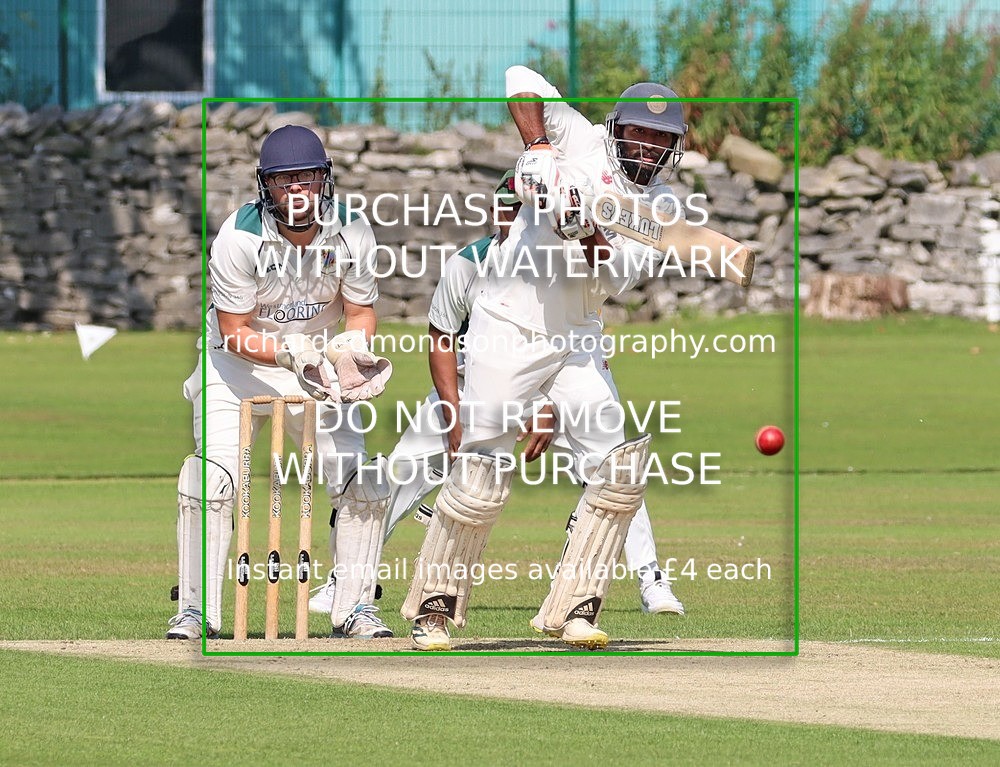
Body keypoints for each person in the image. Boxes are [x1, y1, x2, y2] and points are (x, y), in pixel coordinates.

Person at [307, 172, 684, 625]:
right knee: (399, 475)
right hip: (471, 389)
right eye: (502, 210)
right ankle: (345, 583)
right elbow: (442, 338)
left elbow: (576, 336)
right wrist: (450, 414)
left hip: (557, 390)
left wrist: (546, 406)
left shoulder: (563, 263)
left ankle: (651, 579)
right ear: (492, 214)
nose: (508, 220)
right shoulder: (468, 264)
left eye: (517, 211)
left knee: (614, 468)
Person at [401, 68, 691, 650]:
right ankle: (433, 609)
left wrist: (582, 228)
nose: (649, 148)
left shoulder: (658, 205)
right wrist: (538, 146)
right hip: (510, 319)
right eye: (640, 135)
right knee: (482, 466)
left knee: (618, 468)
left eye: (661, 141)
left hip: (578, 335)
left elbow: (614, 275)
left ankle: (577, 608)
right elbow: (519, 80)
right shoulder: (579, 139)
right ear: (618, 130)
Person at [167, 124, 394, 641]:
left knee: (364, 481)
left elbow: (360, 311)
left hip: (316, 364)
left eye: (307, 178)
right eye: (284, 180)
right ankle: (196, 610)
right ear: (265, 185)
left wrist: (351, 352)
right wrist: (290, 351)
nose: (297, 190)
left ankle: (355, 608)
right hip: (237, 368)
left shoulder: (353, 231)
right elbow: (233, 332)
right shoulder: (238, 237)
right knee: (209, 481)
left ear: (323, 180)